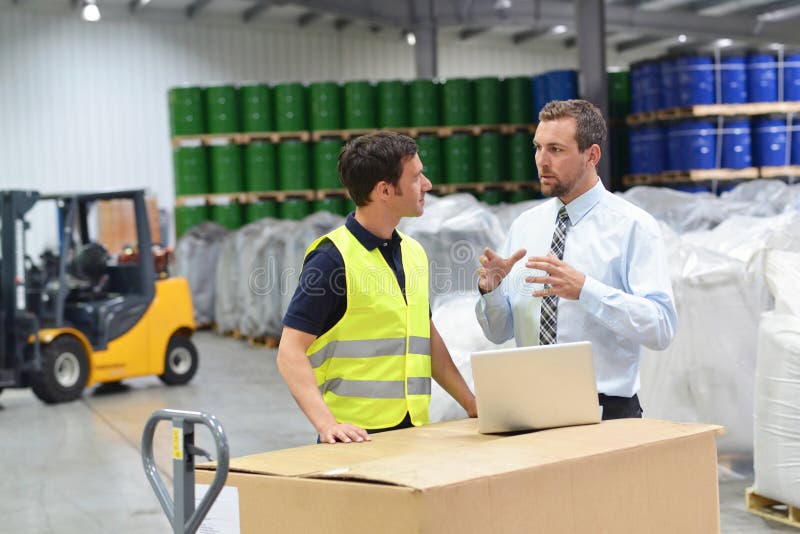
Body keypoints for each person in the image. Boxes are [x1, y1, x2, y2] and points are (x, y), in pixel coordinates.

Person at [475, 99, 677, 420]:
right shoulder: (525, 226)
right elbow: (500, 332)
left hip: (606, 414)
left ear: (591, 155)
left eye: (556, 149)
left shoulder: (633, 226)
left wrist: (585, 290)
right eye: (537, 148)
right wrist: (492, 292)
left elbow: (661, 327)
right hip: (531, 408)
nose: (541, 161)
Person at [278, 131, 477, 444]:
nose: (427, 184)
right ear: (385, 190)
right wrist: (327, 424)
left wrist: (470, 402)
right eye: (416, 177)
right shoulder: (331, 259)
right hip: (356, 440)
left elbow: (424, 334)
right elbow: (290, 351)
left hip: (412, 432)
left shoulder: (413, 252)